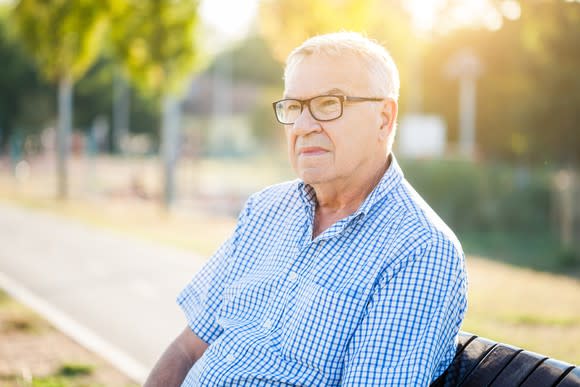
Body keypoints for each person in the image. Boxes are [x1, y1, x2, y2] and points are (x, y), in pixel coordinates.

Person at [145, 31, 468, 387]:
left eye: (329, 103)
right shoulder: (265, 210)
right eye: (294, 106)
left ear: (384, 118)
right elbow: (187, 350)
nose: (303, 126)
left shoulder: (419, 249)